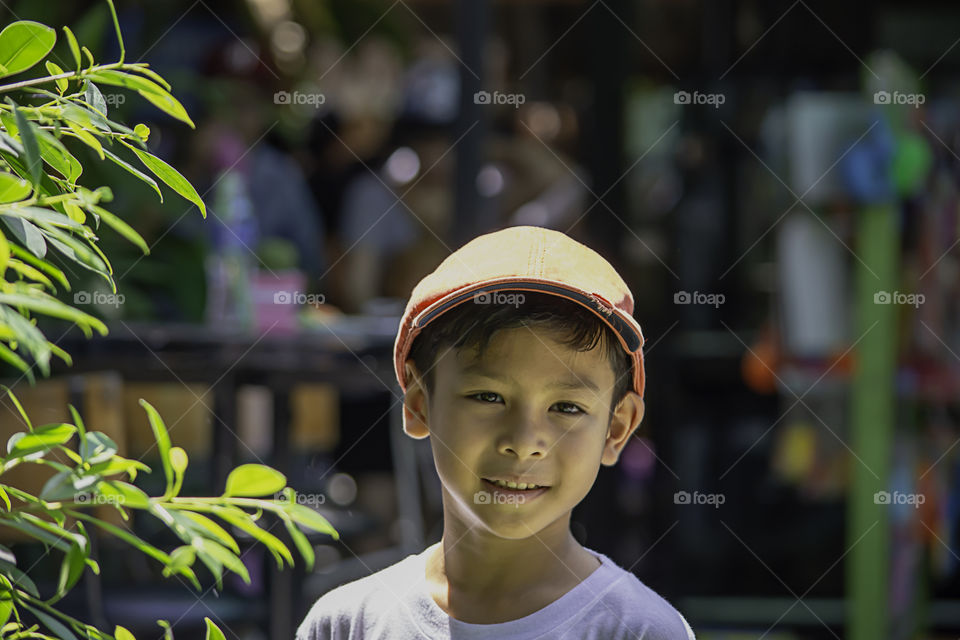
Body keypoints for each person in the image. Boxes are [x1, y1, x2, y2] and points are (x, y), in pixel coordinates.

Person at [296, 226, 696, 639]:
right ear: (419, 403)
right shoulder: (348, 624)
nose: (524, 443)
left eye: (566, 408)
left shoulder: (641, 632)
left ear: (616, 429)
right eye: (488, 397)